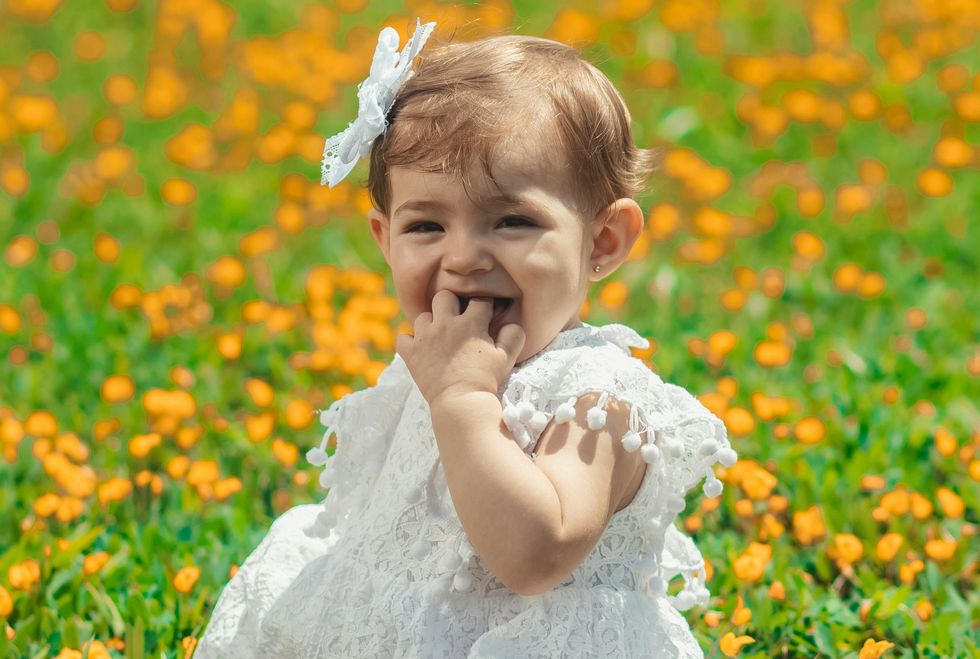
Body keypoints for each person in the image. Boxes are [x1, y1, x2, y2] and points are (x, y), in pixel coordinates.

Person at [195, 19, 737, 658]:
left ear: (602, 241)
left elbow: (537, 556)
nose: (464, 257)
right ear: (384, 238)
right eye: (426, 225)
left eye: (512, 220)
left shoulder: (599, 401)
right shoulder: (438, 365)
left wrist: (464, 404)